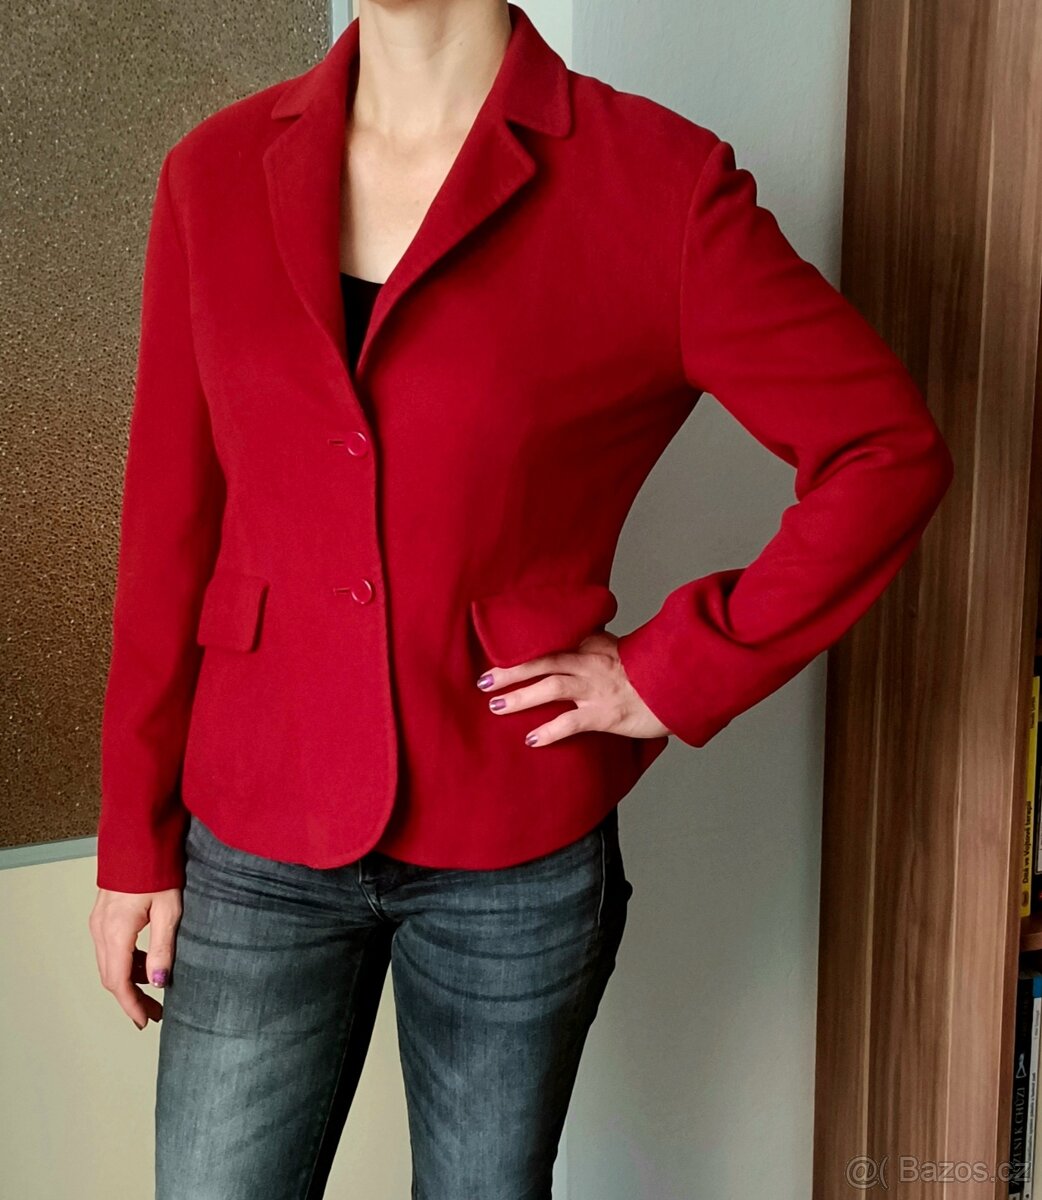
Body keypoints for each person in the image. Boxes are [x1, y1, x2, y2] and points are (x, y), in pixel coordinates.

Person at [87, 1, 955, 1196]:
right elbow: (168, 527)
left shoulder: (656, 184)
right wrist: (133, 841)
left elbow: (883, 451)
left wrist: (670, 671)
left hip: (512, 838)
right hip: (252, 823)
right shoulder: (214, 173)